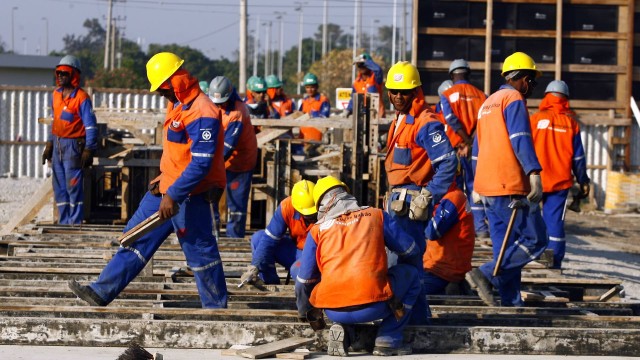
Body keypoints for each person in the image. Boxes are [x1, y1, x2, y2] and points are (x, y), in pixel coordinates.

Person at [68, 52, 228, 308]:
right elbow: (178, 153)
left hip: (190, 195)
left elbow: (201, 163)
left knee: (200, 253)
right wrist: (163, 180)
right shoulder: (177, 103)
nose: (159, 95)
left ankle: (216, 311)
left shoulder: (203, 111)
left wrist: (174, 194)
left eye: (161, 89)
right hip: (166, 189)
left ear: (171, 82)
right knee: (134, 237)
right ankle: (100, 292)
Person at [295, 176, 422, 356]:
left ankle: (344, 331)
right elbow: (411, 250)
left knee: (327, 281)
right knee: (412, 275)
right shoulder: (376, 215)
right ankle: (389, 337)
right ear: (346, 193)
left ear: (319, 205)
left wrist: (305, 312)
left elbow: (304, 281)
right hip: (375, 306)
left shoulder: (317, 229)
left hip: (333, 310)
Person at [469, 51, 548, 307]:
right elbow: (520, 138)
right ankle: (485, 273)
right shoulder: (513, 98)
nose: (532, 87)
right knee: (535, 239)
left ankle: (510, 302)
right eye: (531, 81)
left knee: (506, 245)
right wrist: (533, 173)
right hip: (509, 185)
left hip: (487, 186)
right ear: (522, 78)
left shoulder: (488, 103)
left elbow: (476, 149)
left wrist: (475, 184)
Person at [384, 61, 457, 324]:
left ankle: (410, 322)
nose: (398, 97)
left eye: (404, 92)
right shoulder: (401, 120)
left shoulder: (426, 122)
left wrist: (429, 195)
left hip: (411, 206)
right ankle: (419, 318)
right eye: (393, 91)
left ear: (416, 91)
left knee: (408, 262)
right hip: (397, 203)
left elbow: (449, 162)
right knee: (408, 264)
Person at [530, 80, 590, 269]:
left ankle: (530, 256)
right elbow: (578, 158)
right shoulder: (571, 124)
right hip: (560, 182)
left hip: (533, 180)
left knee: (529, 218)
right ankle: (554, 263)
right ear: (565, 99)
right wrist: (583, 180)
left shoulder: (534, 120)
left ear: (546, 97)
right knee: (554, 222)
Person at [42, 55, 98, 225]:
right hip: (58, 144)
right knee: (59, 184)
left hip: (73, 146)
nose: (60, 76)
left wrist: (89, 149)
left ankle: (74, 221)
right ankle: (63, 221)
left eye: (64, 73)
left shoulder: (81, 98)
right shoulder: (56, 95)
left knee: (73, 184)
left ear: (74, 75)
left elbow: (90, 126)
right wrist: (50, 143)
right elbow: (55, 120)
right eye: (58, 73)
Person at [441, 59, 489, 238]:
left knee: (453, 190)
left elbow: (451, 120)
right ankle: (481, 229)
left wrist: (464, 141)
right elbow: (482, 121)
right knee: (474, 188)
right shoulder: (481, 95)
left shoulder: (447, 94)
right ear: (468, 73)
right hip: (473, 151)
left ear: (452, 75)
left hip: (455, 150)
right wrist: (471, 143)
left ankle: (456, 230)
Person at [208, 76, 258, 238]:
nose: (219, 105)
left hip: (240, 163)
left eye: (222, 102)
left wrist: (207, 165)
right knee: (209, 198)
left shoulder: (238, 112)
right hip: (219, 161)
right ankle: (212, 235)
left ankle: (234, 239)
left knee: (236, 205)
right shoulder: (213, 108)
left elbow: (228, 146)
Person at [240, 180, 316, 285]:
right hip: (295, 252)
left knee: (298, 271)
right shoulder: (287, 206)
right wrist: (254, 266)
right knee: (258, 239)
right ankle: (270, 282)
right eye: (307, 213)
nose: (310, 216)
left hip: (315, 255)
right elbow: (269, 238)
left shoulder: (325, 209)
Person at [423, 184, 475, 295]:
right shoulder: (447, 196)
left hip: (443, 270)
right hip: (439, 266)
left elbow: (432, 232)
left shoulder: (452, 197)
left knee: (407, 295)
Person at [345, 53, 385, 118]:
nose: (361, 67)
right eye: (359, 65)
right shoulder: (356, 83)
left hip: (376, 116)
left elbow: (378, 70)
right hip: (361, 117)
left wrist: (366, 61)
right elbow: (353, 99)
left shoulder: (376, 78)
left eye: (363, 65)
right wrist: (348, 110)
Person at [298, 72, 330, 142]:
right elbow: (299, 116)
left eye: (312, 87)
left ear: (317, 87)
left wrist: (313, 115)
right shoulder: (304, 101)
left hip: (317, 139)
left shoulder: (323, 100)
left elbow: (324, 118)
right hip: (303, 138)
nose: (310, 90)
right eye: (307, 87)